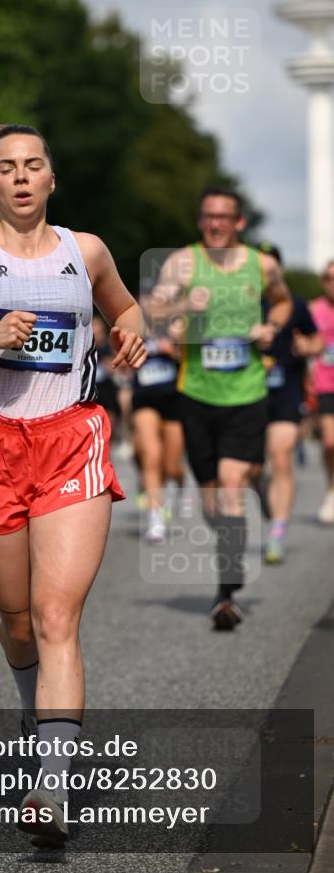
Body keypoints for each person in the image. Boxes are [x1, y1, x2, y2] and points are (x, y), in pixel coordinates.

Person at [0, 124, 146, 844]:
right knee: (17, 623)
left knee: (54, 618)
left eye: (31, 166)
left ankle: (52, 786)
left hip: (72, 439)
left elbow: (123, 306)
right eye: (6, 168)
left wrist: (130, 330)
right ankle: (30, 705)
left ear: (50, 179)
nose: (19, 178)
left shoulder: (87, 251)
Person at [150, 188, 291, 630]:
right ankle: (232, 544)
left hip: (246, 394)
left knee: (231, 488)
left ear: (239, 223)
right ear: (200, 221)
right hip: (196, 394)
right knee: (213, 501)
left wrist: (270, 326)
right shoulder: (183, 263)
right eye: (208, 217)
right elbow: (152, 311)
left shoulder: (261, 265)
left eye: (223, 218)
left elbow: (284, 301)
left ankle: (225, 594)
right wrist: (182, 305)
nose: (215, 225)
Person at [254, 243, 322, 562]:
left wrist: (308, 346)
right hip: (247, 393)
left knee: (281, 456)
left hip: (286, 390)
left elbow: (317, 338)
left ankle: (277, 533)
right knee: (253, 468)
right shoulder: (241, 302)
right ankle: (262, 489)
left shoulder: (294, 303)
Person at [131, 307, 186, 545]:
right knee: (152, 456)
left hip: (175, 401)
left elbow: (194, 360)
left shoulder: (179, 327)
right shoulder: (135, 328)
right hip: (145, 400)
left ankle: (180, 485)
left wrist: (175, 350)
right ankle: (156, 520)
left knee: (172, 467)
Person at [309, 259, 334, 524]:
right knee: (329, 442)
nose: (333, 283)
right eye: (329, 278)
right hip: (325, 385)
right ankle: (331, 489)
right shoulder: (314, 310)